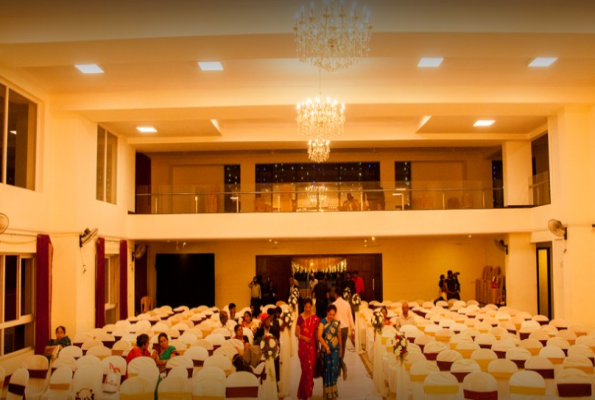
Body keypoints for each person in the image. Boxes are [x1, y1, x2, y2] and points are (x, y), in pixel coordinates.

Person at [296, 298, 320, 400]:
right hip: (302, 347)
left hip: (312, 346)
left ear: (312, 307)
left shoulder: (315, 319)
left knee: (310, 368)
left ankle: (308, 393)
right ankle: (304, 392)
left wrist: (318, 348)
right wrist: (303, 337)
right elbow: (296, 333)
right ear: (304, 307)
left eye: (310, 307)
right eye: (306, 307)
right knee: (305, 370)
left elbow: (316, 334)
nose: (308, 309)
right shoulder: (300, 317)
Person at [317, 304, 342, 400]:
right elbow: (319, 336)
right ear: (327, 313)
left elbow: (339, 336)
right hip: (326, 350)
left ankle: (333, 392)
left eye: (333, 314)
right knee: (327, 370)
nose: (331, 316)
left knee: (334, 370)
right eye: (330, 314)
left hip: (335, 350)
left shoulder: (336, 323)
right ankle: (327, 393)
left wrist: (340, 349)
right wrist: (326, 347)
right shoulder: (322, 322)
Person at [331, 288, 354, 380]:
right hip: (345, 328)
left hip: (337, 329)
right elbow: (350, 317)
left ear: (336, 294)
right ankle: (339, 369)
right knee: (342, 349)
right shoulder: (347, 304)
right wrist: (353, 329)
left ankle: (342, 367)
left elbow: (332, 318)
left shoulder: (334, 304)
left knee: (336, 350)